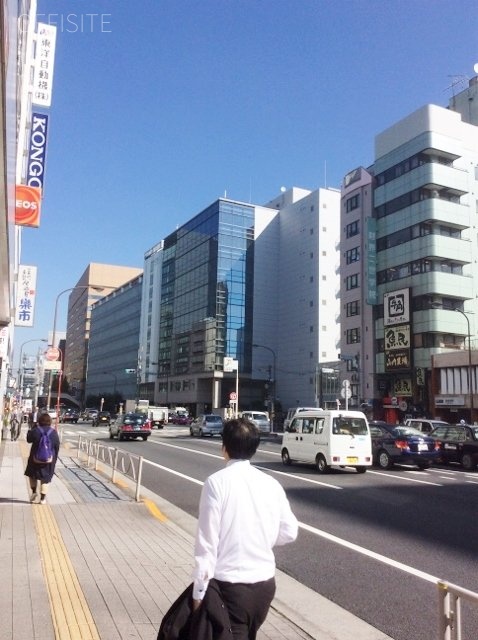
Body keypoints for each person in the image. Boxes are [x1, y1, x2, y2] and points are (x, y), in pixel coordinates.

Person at [192, 417, 298, 640]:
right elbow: (290, 531)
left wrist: (198, 592)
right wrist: (261, 537)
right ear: (254, 448)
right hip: (265, 586)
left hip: (230, 587)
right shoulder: (271, 483)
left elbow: (207, 544)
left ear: (224, 448)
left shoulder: (216, 483)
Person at [24, 412, 60, 504]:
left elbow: (28, 439)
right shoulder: (53, 432)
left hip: (34, 458)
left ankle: (34, 492)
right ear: (50, 422)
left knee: (32, 476)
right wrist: (55, 459)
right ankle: (43, 499)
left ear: (39, 421)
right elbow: (57, 446)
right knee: (45, 478)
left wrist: (32, 428)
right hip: (49, 460)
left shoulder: (36, 430)